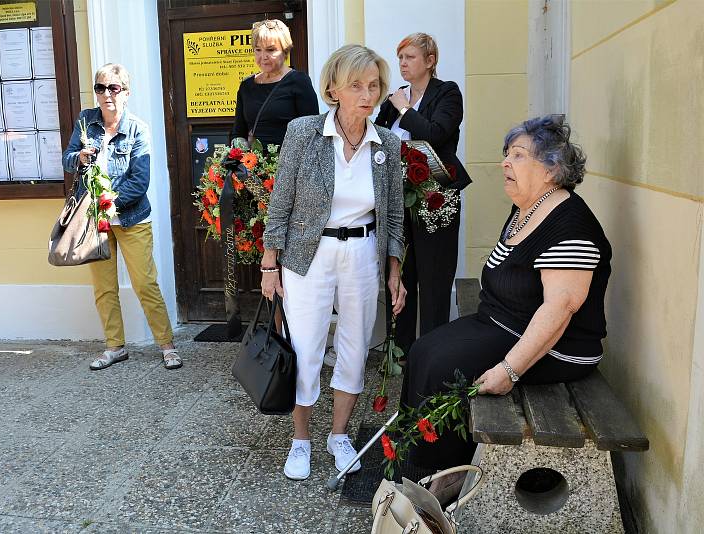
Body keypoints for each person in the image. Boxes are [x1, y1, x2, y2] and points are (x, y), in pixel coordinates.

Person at [402, 115, 611, 503]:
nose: (505, 163)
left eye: (517, 155)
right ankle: (415, 468)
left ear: (551, 169)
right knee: (422, 351)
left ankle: (443, 484)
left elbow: (561, 307)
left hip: (557, 346)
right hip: (502, 322)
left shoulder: (570, 224)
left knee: (443, 368)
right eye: (506, 154)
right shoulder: (528, 207)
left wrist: (509, 371)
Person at [261, 44, 407, 481]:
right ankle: (301, 439)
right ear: (333, 90)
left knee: (355, 346)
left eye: (375, 85)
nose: (368, 94)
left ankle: (338, 435)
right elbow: (280, 200)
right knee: (305, 347)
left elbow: (394, 214)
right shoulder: (304, 133)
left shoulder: (389, 145)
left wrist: (394, 270)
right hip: (310, 254)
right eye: (357, 85)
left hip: (363, 253)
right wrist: (270, 263)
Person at [62, 63, 180, 371]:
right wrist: (80, 157)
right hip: (95, 223)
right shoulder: (86, 121)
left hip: (131, 219)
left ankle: (166, 345)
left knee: (145, 284)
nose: (106, 94)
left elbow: (140, 182)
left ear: (125, 93)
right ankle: (115, 347)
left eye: (113, 88)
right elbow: (67, 159)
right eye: (100, 88)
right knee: (104, 288)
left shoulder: (137, 129)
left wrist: (109, 203)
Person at [375, 33, 472, 356]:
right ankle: (400, 354)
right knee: (400, 277)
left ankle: (432, 356)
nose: (402, 63)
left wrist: (404, 110)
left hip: (435, 197)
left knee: (434, 281)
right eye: (400, 57)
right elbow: (375, 139)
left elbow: (435, 134)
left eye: (410, 57)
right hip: (399, 201)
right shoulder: (395, 98)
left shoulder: (447, 93)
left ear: (430, 61)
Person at [231, 19, 319, 148]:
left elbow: (311, 131)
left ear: (285, 50)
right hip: (253, 165)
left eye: (270, 50)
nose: (263, 56)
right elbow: (238, 132)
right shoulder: (246, 86)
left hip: (288, 164)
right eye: (258, 50)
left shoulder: (299, 81)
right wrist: (240, 148)